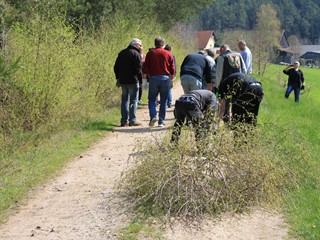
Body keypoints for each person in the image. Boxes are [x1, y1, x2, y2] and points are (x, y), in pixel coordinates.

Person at [143, 37, 175, 127]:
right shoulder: (168, 54)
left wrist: (144, 81)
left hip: (153, 79)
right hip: (165, 79)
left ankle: (153, 116)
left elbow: (145, 68)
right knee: (164, 100)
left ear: (155, 44)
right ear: (163, 44)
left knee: (152, 99)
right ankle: (161, 122)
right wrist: (171, 79)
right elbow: (172, 68)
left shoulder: (150, 53)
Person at [114, 38, 143, 127]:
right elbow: (138, 69)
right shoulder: (136, 53)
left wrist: (118, 78)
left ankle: (123, 121)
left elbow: (115, 67)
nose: (140, 47)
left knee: (124, 101)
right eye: (140, 45)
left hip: (123, 81)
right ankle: (132, 120)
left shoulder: (122, 53)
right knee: (133, 100)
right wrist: (140, 80)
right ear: (135, 44)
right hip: (133, 81)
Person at [216, 44, 247, 122]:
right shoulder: (238, 55)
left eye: (220, 51)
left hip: (225, 84)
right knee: (236, 103)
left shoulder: (222, 57)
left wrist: (217, 86)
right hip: (239, 83)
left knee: (224, 103)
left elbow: (219, 74)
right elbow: (244, 70)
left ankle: (225, 119)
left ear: (222, 49)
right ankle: (236, 121)